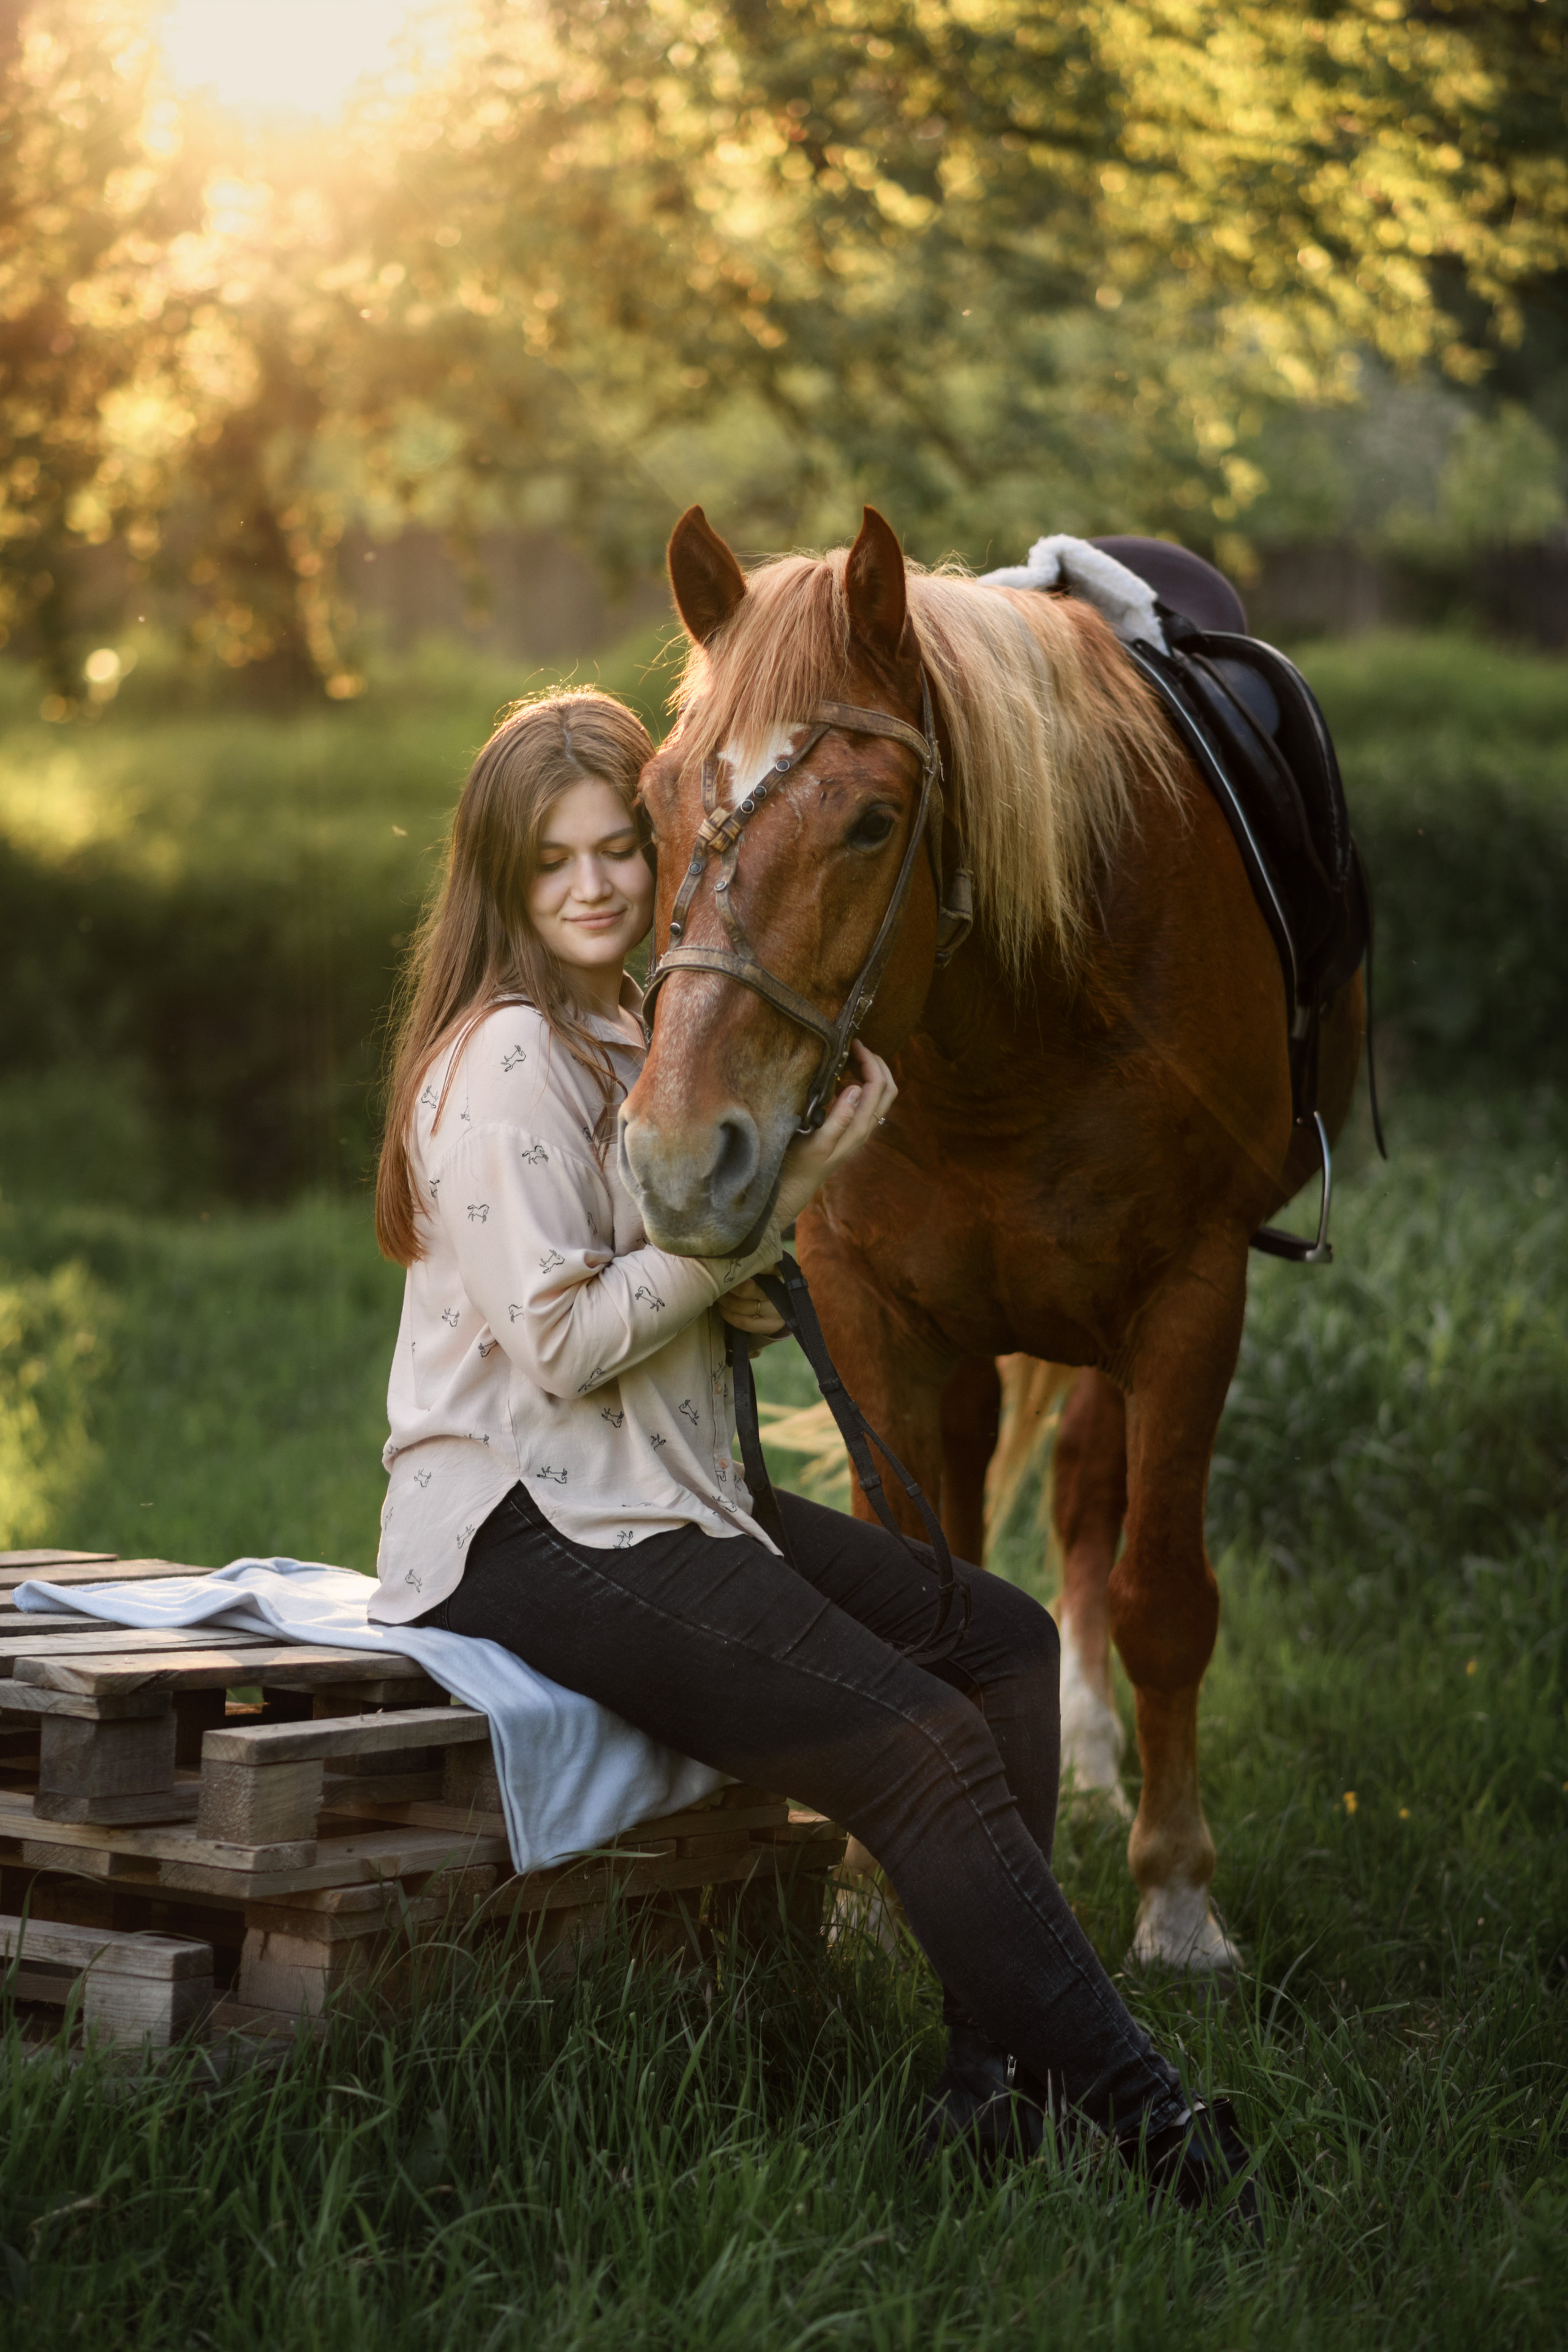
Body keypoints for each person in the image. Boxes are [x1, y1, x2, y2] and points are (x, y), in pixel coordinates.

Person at [371, 688, 1256, 2216]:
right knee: (913, 1745)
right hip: (531, 1532)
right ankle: (1146, 2118)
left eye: (619, 853)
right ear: (498, 884)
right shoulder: (508, 1057)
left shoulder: (625, 1028)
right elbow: (568, 1345)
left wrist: (792, 1178)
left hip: (672, 1501)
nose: (595, 889)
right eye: (551, 864)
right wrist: (784, 1204)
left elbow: (720, 1315)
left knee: (999, 1638)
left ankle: (986, 2091)